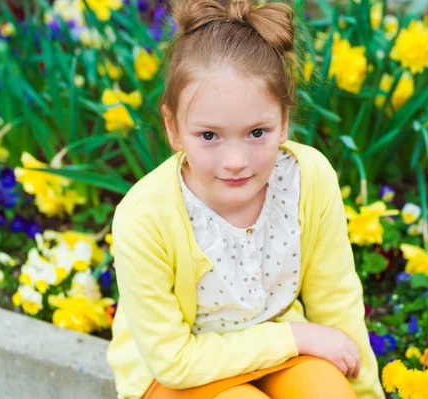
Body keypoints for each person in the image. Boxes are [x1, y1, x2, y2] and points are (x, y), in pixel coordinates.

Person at [106, 1, 385, 398]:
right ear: (173, 127)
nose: (235, 162)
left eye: (257, 132)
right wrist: (294, 337)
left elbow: (337, 300)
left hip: (282, 351)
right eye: (209, 136)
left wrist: (365, 392)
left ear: (284, 120)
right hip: (177, 375)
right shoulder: (145, 217)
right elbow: (175, 361)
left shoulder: (308, 180)